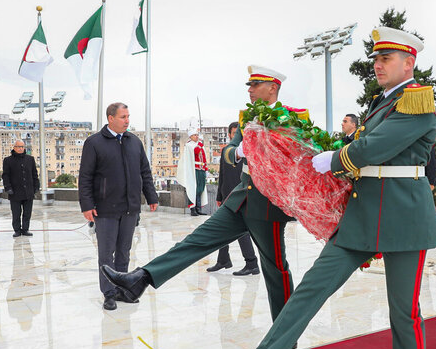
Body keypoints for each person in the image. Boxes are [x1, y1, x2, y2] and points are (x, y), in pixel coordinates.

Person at [198, 27, 436, 349]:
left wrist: (338, 157)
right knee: (311, 289)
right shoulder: (383, 102)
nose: (378, 65)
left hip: (404, 221)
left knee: (404, 313)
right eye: (376, 58)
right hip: (364, 215)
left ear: (409, 63)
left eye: (387, 58)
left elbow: (374, 149)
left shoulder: (417, 102)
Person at [100, 66, 298, 325]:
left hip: (267, 205)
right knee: (195, 242)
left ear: (272, 88)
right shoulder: (247, 118)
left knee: (275, 269)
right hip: (240, 199)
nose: (249, 90)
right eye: (249, 85)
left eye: (255, 85)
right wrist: (239, 153)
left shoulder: (291, 118)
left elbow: (295, 159)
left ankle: (286, 331)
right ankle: (141, 278)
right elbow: (229, 150)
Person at [78, 102, 159, 311]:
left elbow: (145, 171)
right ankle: (109, 293)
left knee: (124, 251)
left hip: (130, 207)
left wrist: (151, 196)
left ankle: (123, 289)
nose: (127, 121)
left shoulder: (134, 142)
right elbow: (85, 177)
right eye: (123, 117)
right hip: (105, 209)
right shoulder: (94, 143)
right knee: (106, 254)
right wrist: (87, 205)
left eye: (128, 116)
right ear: (110, 118)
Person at [207, 121, 260, 276]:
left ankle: (252, 263)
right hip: (226, 196)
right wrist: (219, 196)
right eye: (233, 133)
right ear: (230, 135)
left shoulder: (248, 153)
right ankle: (223, 260)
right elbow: (221, 176)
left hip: (241, 197)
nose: (235, 135)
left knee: (241, 231)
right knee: (222, 229)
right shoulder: (226, 152)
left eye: (238, 132)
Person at [2, 139, 39, 237]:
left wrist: (36, 187)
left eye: (22, 147)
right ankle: (17, 230)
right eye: (18, 147)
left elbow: (34, 174)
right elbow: (5, 176)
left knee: (27, 213)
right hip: (15, 192)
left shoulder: (30, 159)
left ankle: (25, 229)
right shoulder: (8, 160)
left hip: (28, 191)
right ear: (14, 148)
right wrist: (8, 188)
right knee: (16, 213)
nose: (20, 148)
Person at [177, 127, 208, 216]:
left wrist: (205, 168)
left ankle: (199, 208)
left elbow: (204, 157)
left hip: (201, 169)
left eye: (197, 135)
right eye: (194, 135)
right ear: (190, 136)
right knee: (193, 189)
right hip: (194, 170)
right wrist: (199, 147)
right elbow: (194, 153)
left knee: (200, 189)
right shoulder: (189, 145)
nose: (196, 137)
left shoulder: (200, 144)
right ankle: (193, 209)